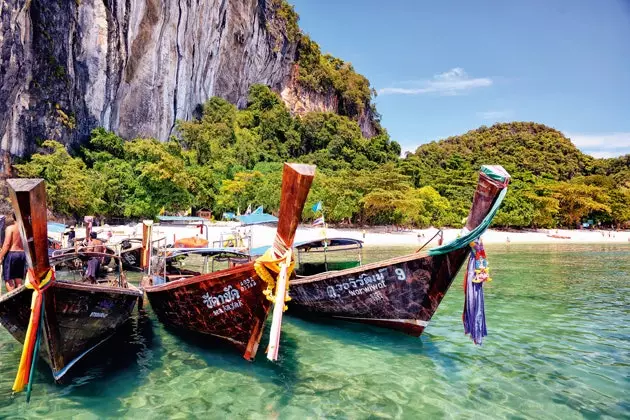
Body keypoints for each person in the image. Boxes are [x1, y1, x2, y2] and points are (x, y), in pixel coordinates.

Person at [0, 214, 27, 291]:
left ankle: (12, 300)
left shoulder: (10, 228)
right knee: (18, 279)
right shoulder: (24, 229)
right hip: (22, 254)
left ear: (13, 217)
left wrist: (0, 256)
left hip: (12, 254)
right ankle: (20, 298)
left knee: (8, 279)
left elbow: (7, 244)